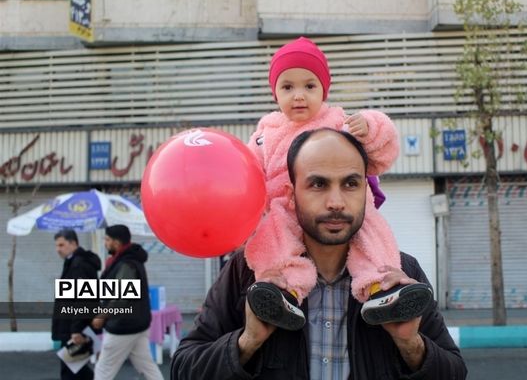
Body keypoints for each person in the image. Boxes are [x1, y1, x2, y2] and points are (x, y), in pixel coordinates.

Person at [171, 129, 467, 379]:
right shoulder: (249, 271)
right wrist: (247, 342)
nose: (336, 202)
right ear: (291, 194)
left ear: (365, 190)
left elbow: (455, 371)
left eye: (350, 184)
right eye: (318, 184)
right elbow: (184, 366)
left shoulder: (397, 274)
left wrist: (411, 345)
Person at [244, 36, 432, 330]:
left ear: (324, 90)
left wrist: (369, 128)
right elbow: (249, 172)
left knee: (369, 231)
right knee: (271, 239)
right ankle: (284, 290)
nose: (298, 96)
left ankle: (381, 287)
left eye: (309, 86)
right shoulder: (264, 134)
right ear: (274, 93)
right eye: (287, 87)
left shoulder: (338, 122)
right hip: (284, 204)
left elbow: (382, 148)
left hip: (342, 209)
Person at [91, 224, 164, 380]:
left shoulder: (126, 264)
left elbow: (121, 298)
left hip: (123, 325)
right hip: (138, 324)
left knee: (103, 369)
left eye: (107, 239)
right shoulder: (128, 260)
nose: (105, 243)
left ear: (116, 243)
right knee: (147, 366)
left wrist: (102, 315)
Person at [52, 228, 100, 380]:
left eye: (61, 245)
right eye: (56, 246)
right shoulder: (72, 262)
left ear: (73, 243)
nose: (57, 250)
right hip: (71, 324)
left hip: (74, 326)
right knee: (75, 368)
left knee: (70, 369)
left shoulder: (78, 265)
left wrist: (76, 329)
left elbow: (83, 299)